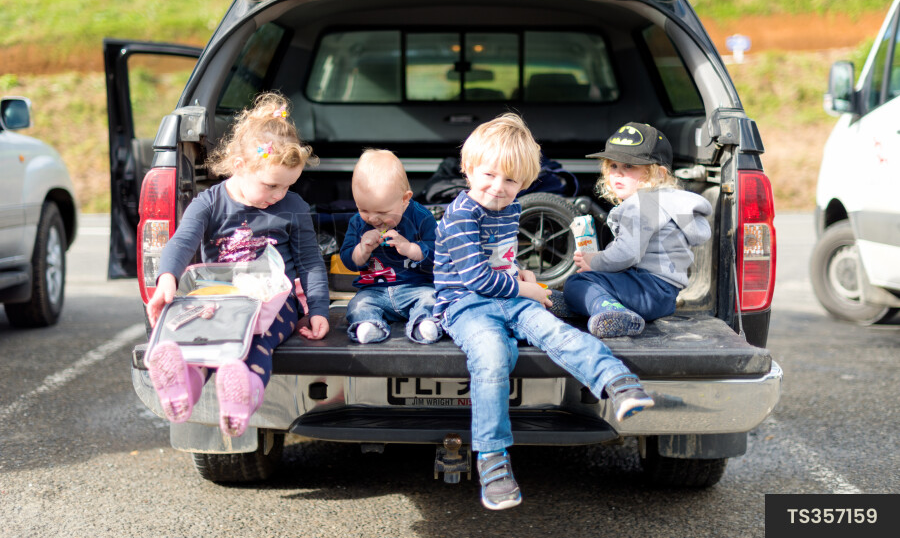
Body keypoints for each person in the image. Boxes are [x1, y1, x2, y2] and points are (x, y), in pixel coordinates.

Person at [433, 113, 653, 511]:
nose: (498, 188)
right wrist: (529, 290)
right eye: (489, 175)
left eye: (511, 180)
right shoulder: (462, 215)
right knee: (491, 356)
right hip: (465, 305)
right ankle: (492, 460)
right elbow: (477, 279)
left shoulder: (510, 208)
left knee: (559, 333)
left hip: (508, 295)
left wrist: (521, 274)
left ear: (525, 183)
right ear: (468, 169)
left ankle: (618, 382)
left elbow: (500, 260)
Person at [144, 92, 330, 438]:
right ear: (240, 166)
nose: (279, 194)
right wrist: (167, 278)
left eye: (287, 186)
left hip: (274, 302)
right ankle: (182, 388)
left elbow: (310, 263)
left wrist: (318, 309)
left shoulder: (293, 207)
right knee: (202, 339)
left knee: (258, 340)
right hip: (220, 297)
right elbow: (182, 242)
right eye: (271, 185)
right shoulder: (209, 203)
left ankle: (240, 397)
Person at [563, 122, 712, 338]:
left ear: (658, 174)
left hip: (647, 289)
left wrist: (595, 260)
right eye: (613, 166)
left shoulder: (640, 205)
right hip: (664, 295)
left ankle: (611, 312)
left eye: (629, 166)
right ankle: (587, 303)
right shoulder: (666, 202)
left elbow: (627, 254)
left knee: (579, 282)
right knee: (594, 280)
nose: (618, 174)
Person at [339, 149, 441, 344]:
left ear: (404, 199)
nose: (373, 218)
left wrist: (410, 248)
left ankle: (425, 324)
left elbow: (438, 253)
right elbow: (348, 260)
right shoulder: (358, 223)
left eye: (382, 212)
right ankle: (370, 326)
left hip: (416, 287)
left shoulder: (421, 217)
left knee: (432, 298)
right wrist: (362, 249)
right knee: (357, 305)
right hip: (374, 291)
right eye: (363, 209)